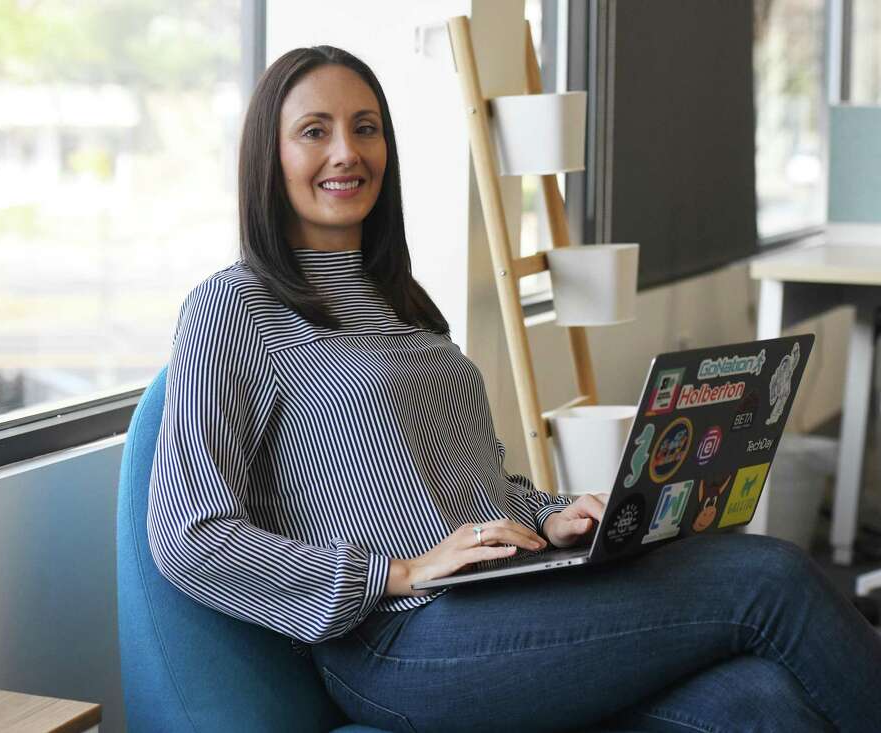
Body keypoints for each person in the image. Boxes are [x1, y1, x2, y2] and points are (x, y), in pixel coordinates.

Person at [147, 44, 881, 733]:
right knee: (770, 578)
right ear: (267, 158)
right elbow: (188, 537)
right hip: (401, 642)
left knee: (766, 700)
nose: (347, 151)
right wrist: (396, 571)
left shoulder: (403, 302)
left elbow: (476, 487)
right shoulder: (234, 307)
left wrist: (555, 515)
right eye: (315, 130)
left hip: (505, 597)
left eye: (365, 128)